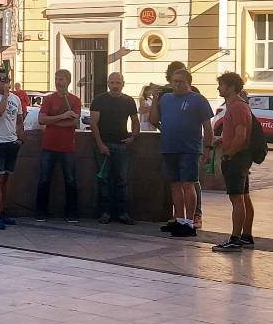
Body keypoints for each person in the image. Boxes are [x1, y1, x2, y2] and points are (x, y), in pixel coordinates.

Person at [150, 69, 213, 237]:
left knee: (188, 184)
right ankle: (179, 220)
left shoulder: (198, 100)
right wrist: (155, 100)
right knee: (175, 185)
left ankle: (190, 222)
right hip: (169, 147)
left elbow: (208, 126)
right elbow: (154, 120)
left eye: (181, 81)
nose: (177, 84)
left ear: (189, 83)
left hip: (189, 149)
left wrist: (208, 148)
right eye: (174, 81)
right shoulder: (166, 98)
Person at [211, 72, 255, 252]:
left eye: (221, 85)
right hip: (240, 156)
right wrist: (222, 140)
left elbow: (241, 135)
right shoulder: (234, 105)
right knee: (243, 197)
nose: (218, 88)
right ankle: (246, 236)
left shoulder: (237, 107)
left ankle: (236, 239)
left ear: (230, 87)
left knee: (236, 198)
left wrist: (229, 154)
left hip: (237, 158)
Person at [90, 72, 139, 225]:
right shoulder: (99, 100)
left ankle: (122, 213)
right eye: (112, 82)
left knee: (122, 180)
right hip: (103, 145)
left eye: (118, 83)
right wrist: (100, 144)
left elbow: (135, 121)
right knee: (103, 180)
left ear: (123, 84)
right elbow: (93, 123)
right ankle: (105, 213)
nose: (115, 86)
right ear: (108, 83)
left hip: (122, 145)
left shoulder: (129, 101)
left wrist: (133, 137)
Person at [35, 69, 81, 222]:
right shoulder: (48, 99)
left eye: (61, 79)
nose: (58, 82)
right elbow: (41, 119)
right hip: (49, 145)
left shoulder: (74, 100)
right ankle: (41, 211)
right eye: (56, 79)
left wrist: (53, 120)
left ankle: (71, 212)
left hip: (68, 147)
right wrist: (62, 117)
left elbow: (74, 122)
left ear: (68, 81)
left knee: (70, 180)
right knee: (43, 179)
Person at [0, 68, 25, 230]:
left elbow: (20, 119)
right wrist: (6, 95)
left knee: (6, 180)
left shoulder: (16, 99)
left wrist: (21, 138)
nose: (5, 83)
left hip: (11, 142)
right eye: (1, 80)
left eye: (6, 80)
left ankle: (2, 210)